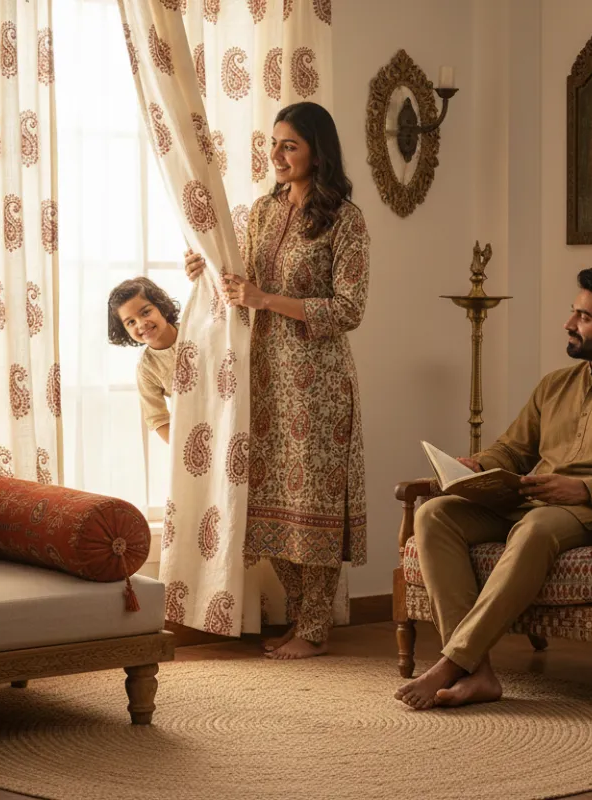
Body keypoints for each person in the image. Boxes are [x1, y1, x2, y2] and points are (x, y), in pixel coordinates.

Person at [395, 268, 592, 709]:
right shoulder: (554, 384)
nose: (569, 324)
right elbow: (512, 450)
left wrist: (586, 489)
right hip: (529, 500)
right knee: (433, 515)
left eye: (584, 317)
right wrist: (477, 466)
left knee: (535, 528)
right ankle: (480, 673)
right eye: (573, 313)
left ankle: (453, 662)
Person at [186, 101, 369, 660]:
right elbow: (243, 286)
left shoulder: (344, 218)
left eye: (289, 144)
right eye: (273, 144)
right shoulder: (262, 212)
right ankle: (298, 614)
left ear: (318, 149)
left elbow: (350, 307)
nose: (277, 154)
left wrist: (267, 299)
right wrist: (209, 272)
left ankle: (314, 626)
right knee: (269, 500)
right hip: (264, 376)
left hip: (318, 381)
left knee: (311, 499)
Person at [107, 277, 182, 444]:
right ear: (124, 330)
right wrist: (184, 447)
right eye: (131, 322)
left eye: (146, 312)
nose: (141, 324)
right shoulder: (146, 368)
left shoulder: (194, 330)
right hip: (195, 429)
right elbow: (157, 418)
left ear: (161, 307)